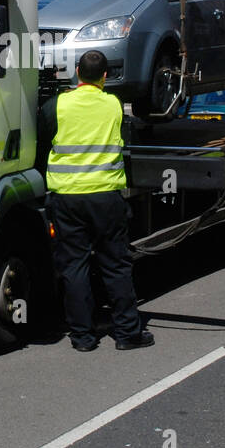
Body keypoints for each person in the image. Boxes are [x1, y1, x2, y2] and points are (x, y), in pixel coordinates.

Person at [38, 50, 153, 352]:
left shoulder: (58, 105)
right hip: (105, 196)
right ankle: (128, 333)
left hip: (67, 197)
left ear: (77, 72)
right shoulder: (113, 105)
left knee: (74, 267)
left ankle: (83, 337)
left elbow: (43, 137)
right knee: (115, 264)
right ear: (105, 76)